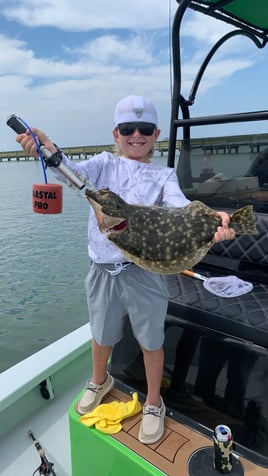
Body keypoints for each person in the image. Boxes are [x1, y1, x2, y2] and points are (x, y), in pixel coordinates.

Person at [16, 95, 235, 445]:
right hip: (102, 270)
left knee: (151, 341)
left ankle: (152, 401)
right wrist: (48, 150)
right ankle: (99, 380)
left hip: (145, 270)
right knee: (101, 335)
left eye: (145, 129)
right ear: (116, 134)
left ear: (156, 134)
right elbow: (74, 175)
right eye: (128, 129)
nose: (136, 135)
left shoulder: (163, 175)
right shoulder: (104, 164)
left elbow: (181, 207)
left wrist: (213, 221)